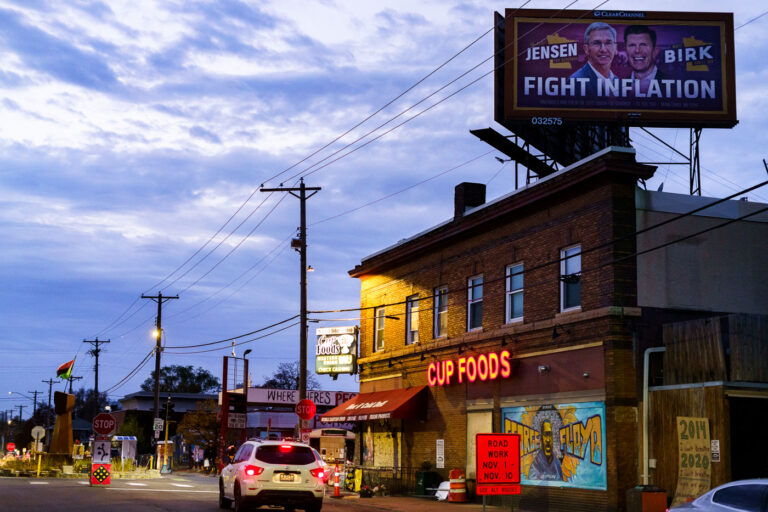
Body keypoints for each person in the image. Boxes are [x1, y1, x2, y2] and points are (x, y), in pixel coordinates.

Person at [570, 22, 618, 95]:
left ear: (615, 48)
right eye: (596, 43)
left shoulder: (619, 82)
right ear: (586, 49)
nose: (603, 49)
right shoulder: (575, 82)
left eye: (608, 43)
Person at [624, 25, 663, 94]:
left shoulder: (672, 84)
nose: (637, 50)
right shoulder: (619, 86)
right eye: (632, 45)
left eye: (643, 44)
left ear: (655, 51)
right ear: (626, 51)